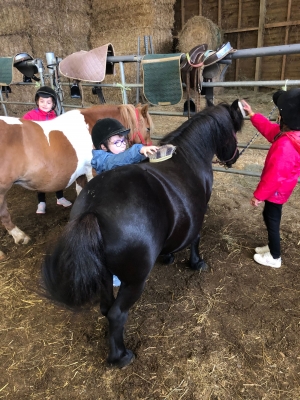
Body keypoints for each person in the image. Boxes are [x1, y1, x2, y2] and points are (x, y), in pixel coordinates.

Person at [91, 117, 159, 285]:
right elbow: (115, 162)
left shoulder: (121, 153)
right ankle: (111, 272)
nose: (122, 145)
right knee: (108, 241)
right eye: (117, 142)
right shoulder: (101, 159)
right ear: (103, 147)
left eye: (123, 141)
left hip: (122, 200)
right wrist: (138, 150)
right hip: (107, 206)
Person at [241, 88, 300, 268]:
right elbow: (269, 129)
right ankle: (272, 248)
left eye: (280, 114)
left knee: (272, 219)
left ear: (285, 118)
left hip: (276, 191)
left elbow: (274, 176)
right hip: (279, 190)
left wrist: (259, 195)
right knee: (270, 216)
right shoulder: (290, 136)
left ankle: (275, 257)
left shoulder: (285, 145)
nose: (278, 117)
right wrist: (252, 114)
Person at [23, 86, 72, 214]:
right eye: (42, 101)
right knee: (41, 176)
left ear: (53, 104)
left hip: (52, 150)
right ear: (37, 102)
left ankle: (60, 197)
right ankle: (41, 202)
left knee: (58, 172)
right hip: (38, 152)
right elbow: (23, 130)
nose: (45, 104)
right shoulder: (30, 116)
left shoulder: (54, 115)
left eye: (49, 102)